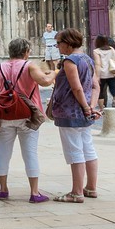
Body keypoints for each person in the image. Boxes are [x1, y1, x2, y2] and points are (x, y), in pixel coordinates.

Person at [0, 36, 53, 203]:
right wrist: (56, 72)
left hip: (5, 116)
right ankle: (34, 192)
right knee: (30, 153)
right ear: (26, 52)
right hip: (27, 115)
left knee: (3, 152)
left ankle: (3, 189)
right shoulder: (29, 66)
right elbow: (45, 81)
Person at [45, 29, 98, 202]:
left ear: (68, 43)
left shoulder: (70, 61)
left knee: (75, 151)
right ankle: (90, 187)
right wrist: (91, 106)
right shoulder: (88, 59)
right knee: (88, 149)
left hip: (70, 111)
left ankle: (76, 192)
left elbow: (76, 88)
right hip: (84, 112)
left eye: (59, 42)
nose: (57, 46)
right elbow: (95, 86)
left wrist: (84, 106)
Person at [92, 35, 115, 116]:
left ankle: (102, 109)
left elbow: (97, 64)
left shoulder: (96, 51)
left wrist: (97, 76)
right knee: (114, 91)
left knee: (100, 92)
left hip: (102, 75)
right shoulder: (112, 49)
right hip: (112, 74)